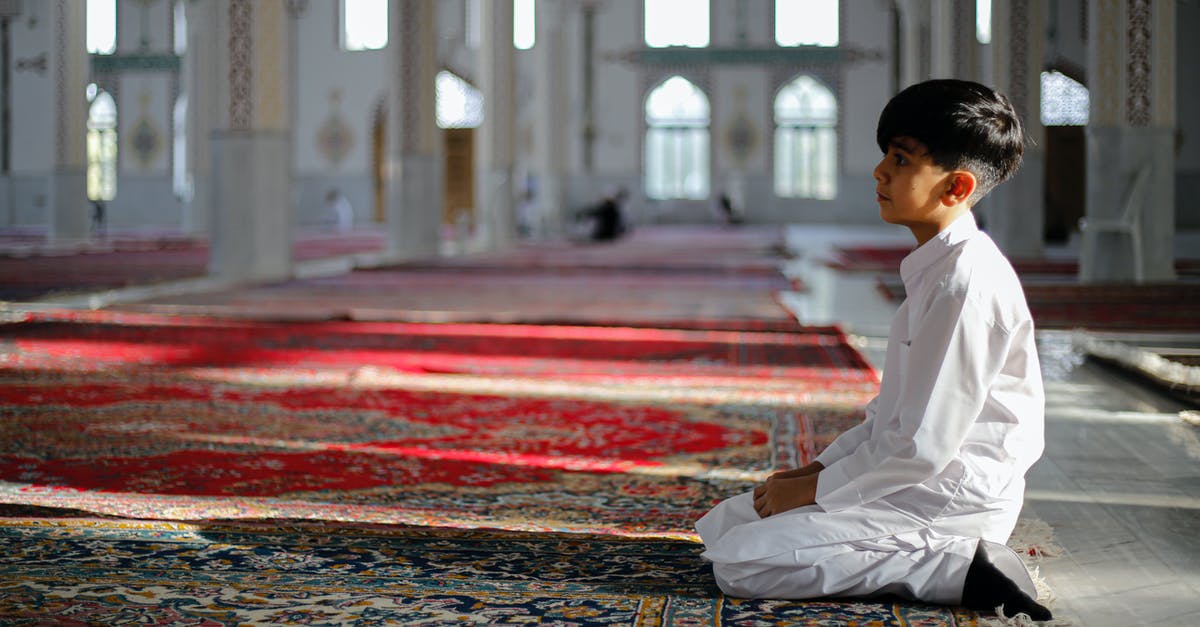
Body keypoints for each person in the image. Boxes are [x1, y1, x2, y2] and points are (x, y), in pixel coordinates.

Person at [695, 79, 1052, 622]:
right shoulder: (937, 269)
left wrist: (820, 492)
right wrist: (813, 473)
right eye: (886, 154)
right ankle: (919, 552)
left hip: (949, 497)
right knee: (728, 524)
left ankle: (959, 566)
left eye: (901, 160)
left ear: (955, 187)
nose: (880, 172)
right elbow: (889, 418)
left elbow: (923, 448)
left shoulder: (965, 286)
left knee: (743, 565)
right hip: (911, 478)